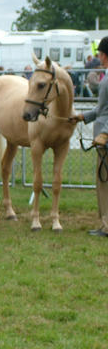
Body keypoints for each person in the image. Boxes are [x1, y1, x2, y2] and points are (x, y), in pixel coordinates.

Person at [70, 36, 108, 237]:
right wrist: (82, 117)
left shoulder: (107, 79)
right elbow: (103, 109)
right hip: (103, 131)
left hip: (105, 137)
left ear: (103, 55)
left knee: (104, 181)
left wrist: (104, 132)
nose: (98, 58)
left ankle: (106, 225)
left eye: (100, 54)